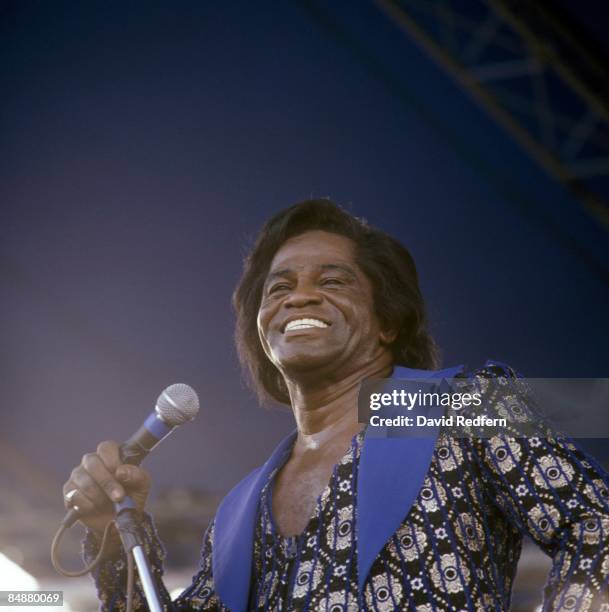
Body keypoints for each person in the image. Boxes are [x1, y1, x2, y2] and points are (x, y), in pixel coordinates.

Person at [63, 199, 609, 611]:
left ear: (389, 321)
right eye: (278, 289)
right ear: (261, 331)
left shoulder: (461, 401)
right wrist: (113, 532)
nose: (298, 296)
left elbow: (595, 527)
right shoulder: (239, 509)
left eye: (333, 280)